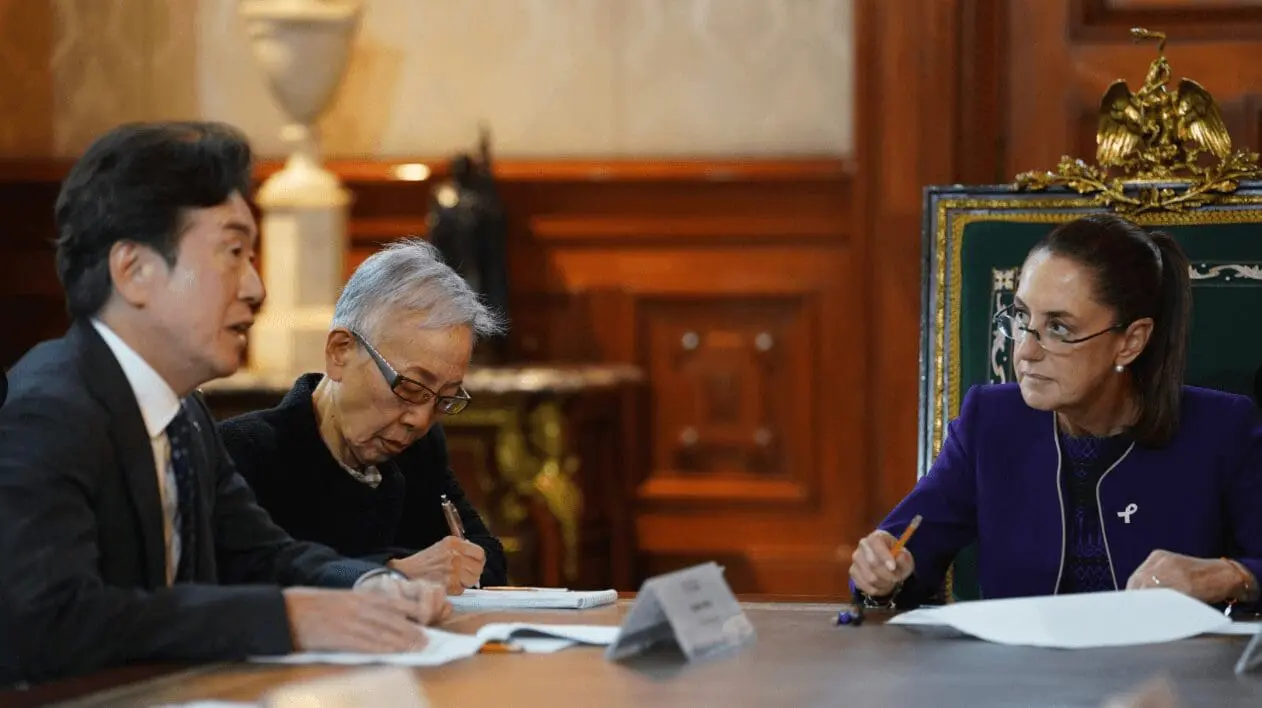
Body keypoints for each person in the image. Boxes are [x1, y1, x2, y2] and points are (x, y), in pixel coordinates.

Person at [0, 122, 451, 686]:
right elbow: (46, 622)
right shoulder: (49, 412)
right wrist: (286, 617)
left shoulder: (185, 415)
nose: (256, 288)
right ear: (134, 270)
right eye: (233, 252)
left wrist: (371, 585)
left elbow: (262, 555)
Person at [849, 213, 1262, 610]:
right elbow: (900, 553)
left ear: (1131, 342)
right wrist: (882, 572)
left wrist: (1229, 576)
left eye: (1059, 328)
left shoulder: (1221, 430)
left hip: (1168, 678)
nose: (1026, 350)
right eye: (1022, 317)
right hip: (1020, 677)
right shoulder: (989, 422)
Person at [218, 239, 508, 594]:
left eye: (444, 400)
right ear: (340, 352)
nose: (418, 420)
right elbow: (250, 578)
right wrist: (390, 571)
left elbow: (486, 557)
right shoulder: (244, 451)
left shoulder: (419, 450)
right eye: (411, 387)